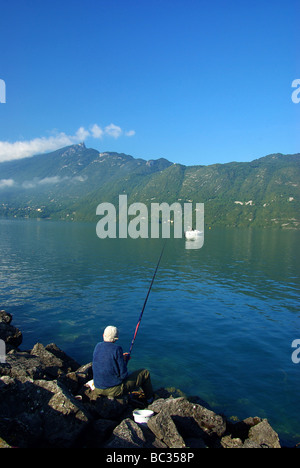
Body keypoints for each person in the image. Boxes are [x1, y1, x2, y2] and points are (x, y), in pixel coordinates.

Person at [92, 325, 154, 403]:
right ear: (116, 339)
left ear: (103, 335)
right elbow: (123, 375)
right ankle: (150, 400)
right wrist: (123, 361)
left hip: (98, 388)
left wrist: (120, 358)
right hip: (113, 390)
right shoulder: (117, 349)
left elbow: (106, 358)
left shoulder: (97, 346)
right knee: (145, 373)